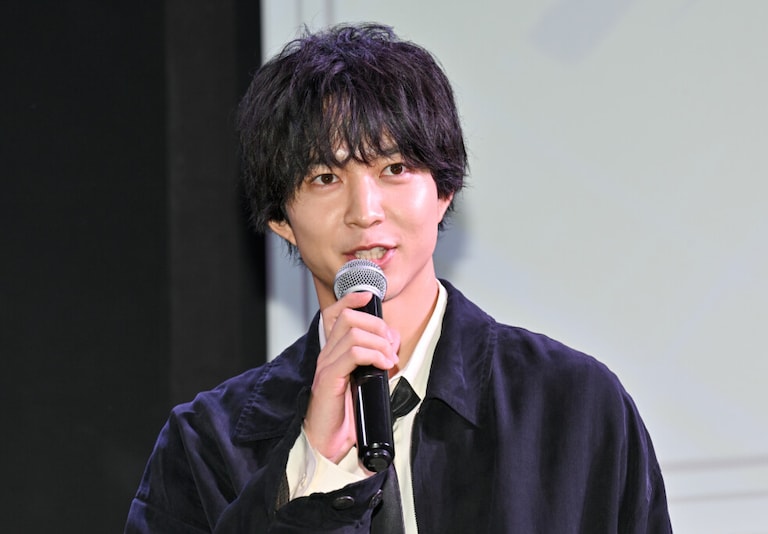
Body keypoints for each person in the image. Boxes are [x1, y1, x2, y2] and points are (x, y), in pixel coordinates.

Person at [125, 23, 672, 533]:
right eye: (324, 177)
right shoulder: (205, 444)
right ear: (280, 220)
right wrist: (315, 466)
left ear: (444, 190)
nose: (364, 212)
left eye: (395, 169)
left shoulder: (573, 404)